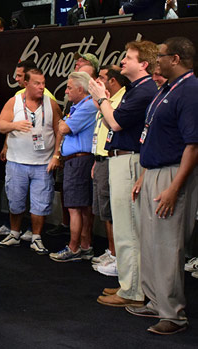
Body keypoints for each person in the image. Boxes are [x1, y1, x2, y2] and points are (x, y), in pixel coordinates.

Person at [129, 36, 198, 335]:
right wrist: (145, 174)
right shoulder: (168, 89)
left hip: (173, 174)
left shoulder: (191, 90)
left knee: (168, 244)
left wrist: (173, 187)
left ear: (177, 59)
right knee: (151, 242)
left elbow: (193, 146)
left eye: (161, 57)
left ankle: (173, 315)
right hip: (154, 171)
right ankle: (156, 301)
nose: (157, 62)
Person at [88, 40, 159, 308]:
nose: (122, 62)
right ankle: (129, 284)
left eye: (128, 58)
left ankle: (133, 290)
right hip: (122, 159)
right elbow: (111, 120)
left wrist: (101, 97)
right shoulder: (136, 89)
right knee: (125, 226)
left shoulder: (144, 91)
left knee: (129, 227)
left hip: (130, 161)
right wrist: (102, 102)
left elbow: (115, 122)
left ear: (143, 64)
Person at [0, 68, 63, 254]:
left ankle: (36, 237)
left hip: (43, 163)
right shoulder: (14, 102)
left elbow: (60, 131)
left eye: (43, 83)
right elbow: (0, 125)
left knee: (40, 203)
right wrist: (14, 125)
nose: (42, 87)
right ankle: (15, 233)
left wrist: (57, 155)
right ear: (26, 84)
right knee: (15, 200)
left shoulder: (51, 104)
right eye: (37, 83)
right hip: (16, 161)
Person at [49, 72, 98, 262]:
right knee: (82, 206)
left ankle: (74, 247)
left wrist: (62, 122)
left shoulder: (86, 106)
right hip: (79, 160)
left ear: (80, 89)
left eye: (69, 87)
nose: (66, 91)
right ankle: (85, 246)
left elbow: (63, 128)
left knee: (75, 207)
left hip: (78, 162)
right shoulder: (83, 105)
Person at [90, 65, 129, 275]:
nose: (98, 81)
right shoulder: (106, 101)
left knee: (113, 211)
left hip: (114, 159)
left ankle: (117, 254)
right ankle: (112, 250)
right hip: (102, 158)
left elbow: (114, 126)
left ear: (113, 81)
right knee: (104, 209)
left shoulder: (121, 100)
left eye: (102, 78)